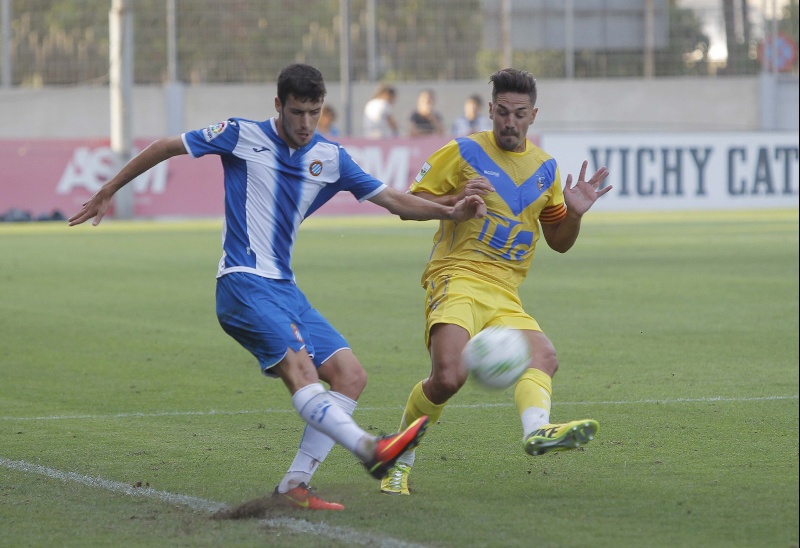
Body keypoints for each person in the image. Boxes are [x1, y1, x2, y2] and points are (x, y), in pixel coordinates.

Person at [68, 63, 486, 510]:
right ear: (278, 106)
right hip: (241, 283)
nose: (306, 123)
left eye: (314, 112)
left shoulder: (330, 157)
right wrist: (109, 187)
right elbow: (166, 146)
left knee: (350, 376)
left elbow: (399, 202)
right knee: (302, 371)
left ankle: (295, 486)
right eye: (297, 112)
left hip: (285, 288)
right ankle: (371, 449)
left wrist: (452, 210)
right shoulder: (239, 134)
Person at [379, 68, 612, 496]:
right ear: (490, 110)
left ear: (533, 115)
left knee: (544, 355)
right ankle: (398, 458)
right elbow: (407, 205)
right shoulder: (463, 151)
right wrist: (455, 200)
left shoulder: (545, 168)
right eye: (502, 112)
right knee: (448, 378)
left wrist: (574, 213)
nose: (510, 122)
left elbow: (559, 242)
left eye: (519, 114)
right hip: (456, 276)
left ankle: (536, 431)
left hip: (504, 291)